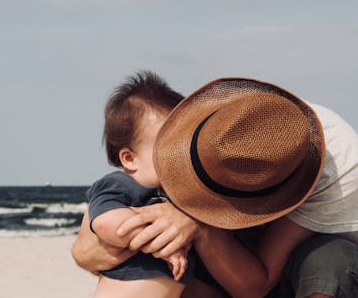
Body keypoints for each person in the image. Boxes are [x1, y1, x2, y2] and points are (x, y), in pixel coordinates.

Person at [72, 77, 358, 298]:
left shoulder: (340, 165)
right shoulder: (225, 127)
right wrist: (87, 249)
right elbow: (92, 240)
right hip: (234, 259)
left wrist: (197, 223)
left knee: (330, 262)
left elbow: (257, 284)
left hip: (292, 265)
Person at [84, 71, 197, 298]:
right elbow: (107, 224)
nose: (180, 158)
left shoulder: (172, 195)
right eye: (168, 150)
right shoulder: (119, 185)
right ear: (129, 158)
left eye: (183, 148)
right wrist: (163, 247)